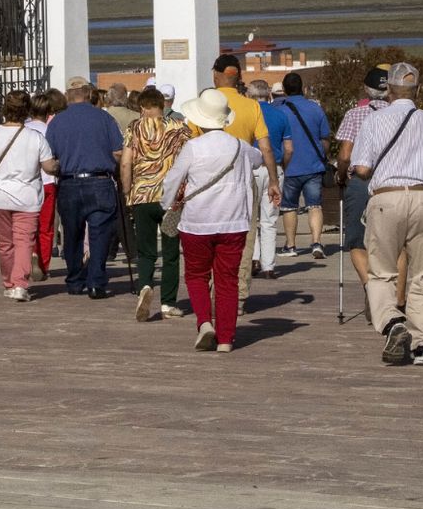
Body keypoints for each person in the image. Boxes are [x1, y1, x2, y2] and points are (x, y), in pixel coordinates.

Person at [350, 63, 423, 366]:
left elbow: (361, 168)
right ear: (418, 90)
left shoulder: (373, 121)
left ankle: (392, 322)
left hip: (386, 198)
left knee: (381, 271)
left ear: (388, 89)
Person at [162, 89, 263, 352]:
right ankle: (226, 339)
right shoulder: (240, 146)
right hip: (233, 222)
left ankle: (205, 322)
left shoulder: (193, 147)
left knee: (196, 275)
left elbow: (173, 179)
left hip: (197, 222)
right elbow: (259, 159)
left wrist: (167, 204)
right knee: (227, 280)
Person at [0, 90, 57, 302]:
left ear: (5, 110)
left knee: (6, 244)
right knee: (24, 242)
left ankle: (8, 282)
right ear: (27, 111)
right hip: (27, 197)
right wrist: (59, 165)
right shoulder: (35, 138)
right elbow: (49, 167)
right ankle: (19, 284)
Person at [209, 54, 280, 307]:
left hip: (210, 180)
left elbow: (191, 143)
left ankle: (214, 291)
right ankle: (237, 296)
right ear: (238, 76)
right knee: (245, 237)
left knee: (212, 236)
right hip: (242, 179)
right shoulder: (251, 106)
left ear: (215, 75)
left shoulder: (205, 104)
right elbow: (265, 147)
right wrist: (273, 180)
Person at [46, 76, 124, 298]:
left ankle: (74, 280)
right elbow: (118, 152)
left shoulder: (57, 122)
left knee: (72, 234)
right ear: (89, 93)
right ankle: (96, 282)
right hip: (100, 181)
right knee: (100, 234)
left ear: (67, 96)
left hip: (69, 182)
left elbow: (49, 157)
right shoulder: (104, 118)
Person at [120, 86, 193, 321]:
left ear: (142, 107)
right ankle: (168, 303)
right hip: (171, 198)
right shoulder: (179, 127)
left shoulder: (134, 128)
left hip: (142, 196)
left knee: (146, 250)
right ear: (162, 105)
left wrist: (127, 191)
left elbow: (126, 162)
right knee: (171, 252)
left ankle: (145, 285)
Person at [335, 66, 398, 321]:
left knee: (357, 241)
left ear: (366, 89)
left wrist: (341, 175)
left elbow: (345, 154)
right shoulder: (401, 115)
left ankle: (370, 287)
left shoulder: (355, 114)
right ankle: (391, 293)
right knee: (391, 241)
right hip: (392, 181)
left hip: (361, 181)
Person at [276, 72, 333, 259]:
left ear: (284, 89)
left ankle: (290, 245)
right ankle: (316, 242)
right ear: (303, 88)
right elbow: (325, 138)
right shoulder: (315, 108)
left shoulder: (279, 110)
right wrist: (322, 155)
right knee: (315, 205)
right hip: (313, 165)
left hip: (289, 165)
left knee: (289, 207)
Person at [247, 79, 289, 280]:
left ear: (249, 95)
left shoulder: (247, 113)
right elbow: (289, 148)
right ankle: (269, 266)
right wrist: (282, 167)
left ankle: (254, 258)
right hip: (275, 169)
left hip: (252, 169)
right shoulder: (280, 115)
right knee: (269, 220)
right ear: (269, 95)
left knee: (250, 218)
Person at [27, 88, 65, 282]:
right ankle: (43, 265)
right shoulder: (51, 130)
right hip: (48, 182)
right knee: (46, 226)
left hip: (26, 183)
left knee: (26, 225)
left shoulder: (23, 130)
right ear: (49, 111)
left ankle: (29, 256)